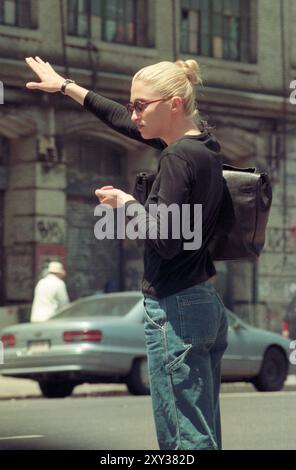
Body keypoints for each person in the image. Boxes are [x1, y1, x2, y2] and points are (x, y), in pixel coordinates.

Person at [25, 56, 228, 450]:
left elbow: (166, 240)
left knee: (184, 438)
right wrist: (66, 85)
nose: (133, 114)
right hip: (202, 301)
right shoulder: (204, 146)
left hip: (175, 306)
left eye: (141, 105)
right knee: (201, 428)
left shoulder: (176, 158)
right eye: (131, 104)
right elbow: (119, 118)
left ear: (172, 104)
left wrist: (126, 205)